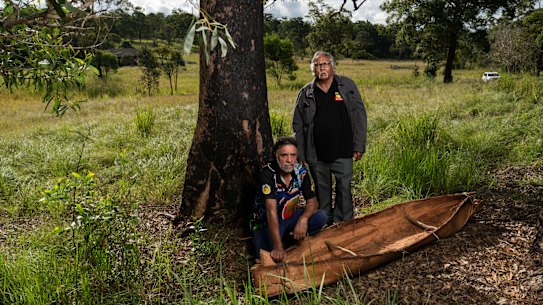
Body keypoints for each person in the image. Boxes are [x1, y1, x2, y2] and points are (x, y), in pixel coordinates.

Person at [292, 51, 367, 225]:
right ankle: (324, 223)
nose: (322, 68)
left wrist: (359, 145)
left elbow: (359, 116)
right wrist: (301, 154)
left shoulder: (347, 87)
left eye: (325, 64)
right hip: (316, 154)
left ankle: (343, 225)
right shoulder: (306, 93)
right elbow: (298, 125)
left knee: (344, 190)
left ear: (332, 66)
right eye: (317, 65)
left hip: (344, 149)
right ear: (313, 69)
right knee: (321, 190)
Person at [250, 137, 327, 262]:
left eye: (293, 155)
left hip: (289, 217)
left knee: (321, 216)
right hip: (267, 223)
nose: (289, 160)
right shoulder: (267, 174)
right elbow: (270, 211)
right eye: (284, 155)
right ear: (276, 156)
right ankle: (282, 241)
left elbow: (313, 201)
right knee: (265, 255)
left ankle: (292, 237)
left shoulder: (300, 171)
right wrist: (278, 247)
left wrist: (303, 219)